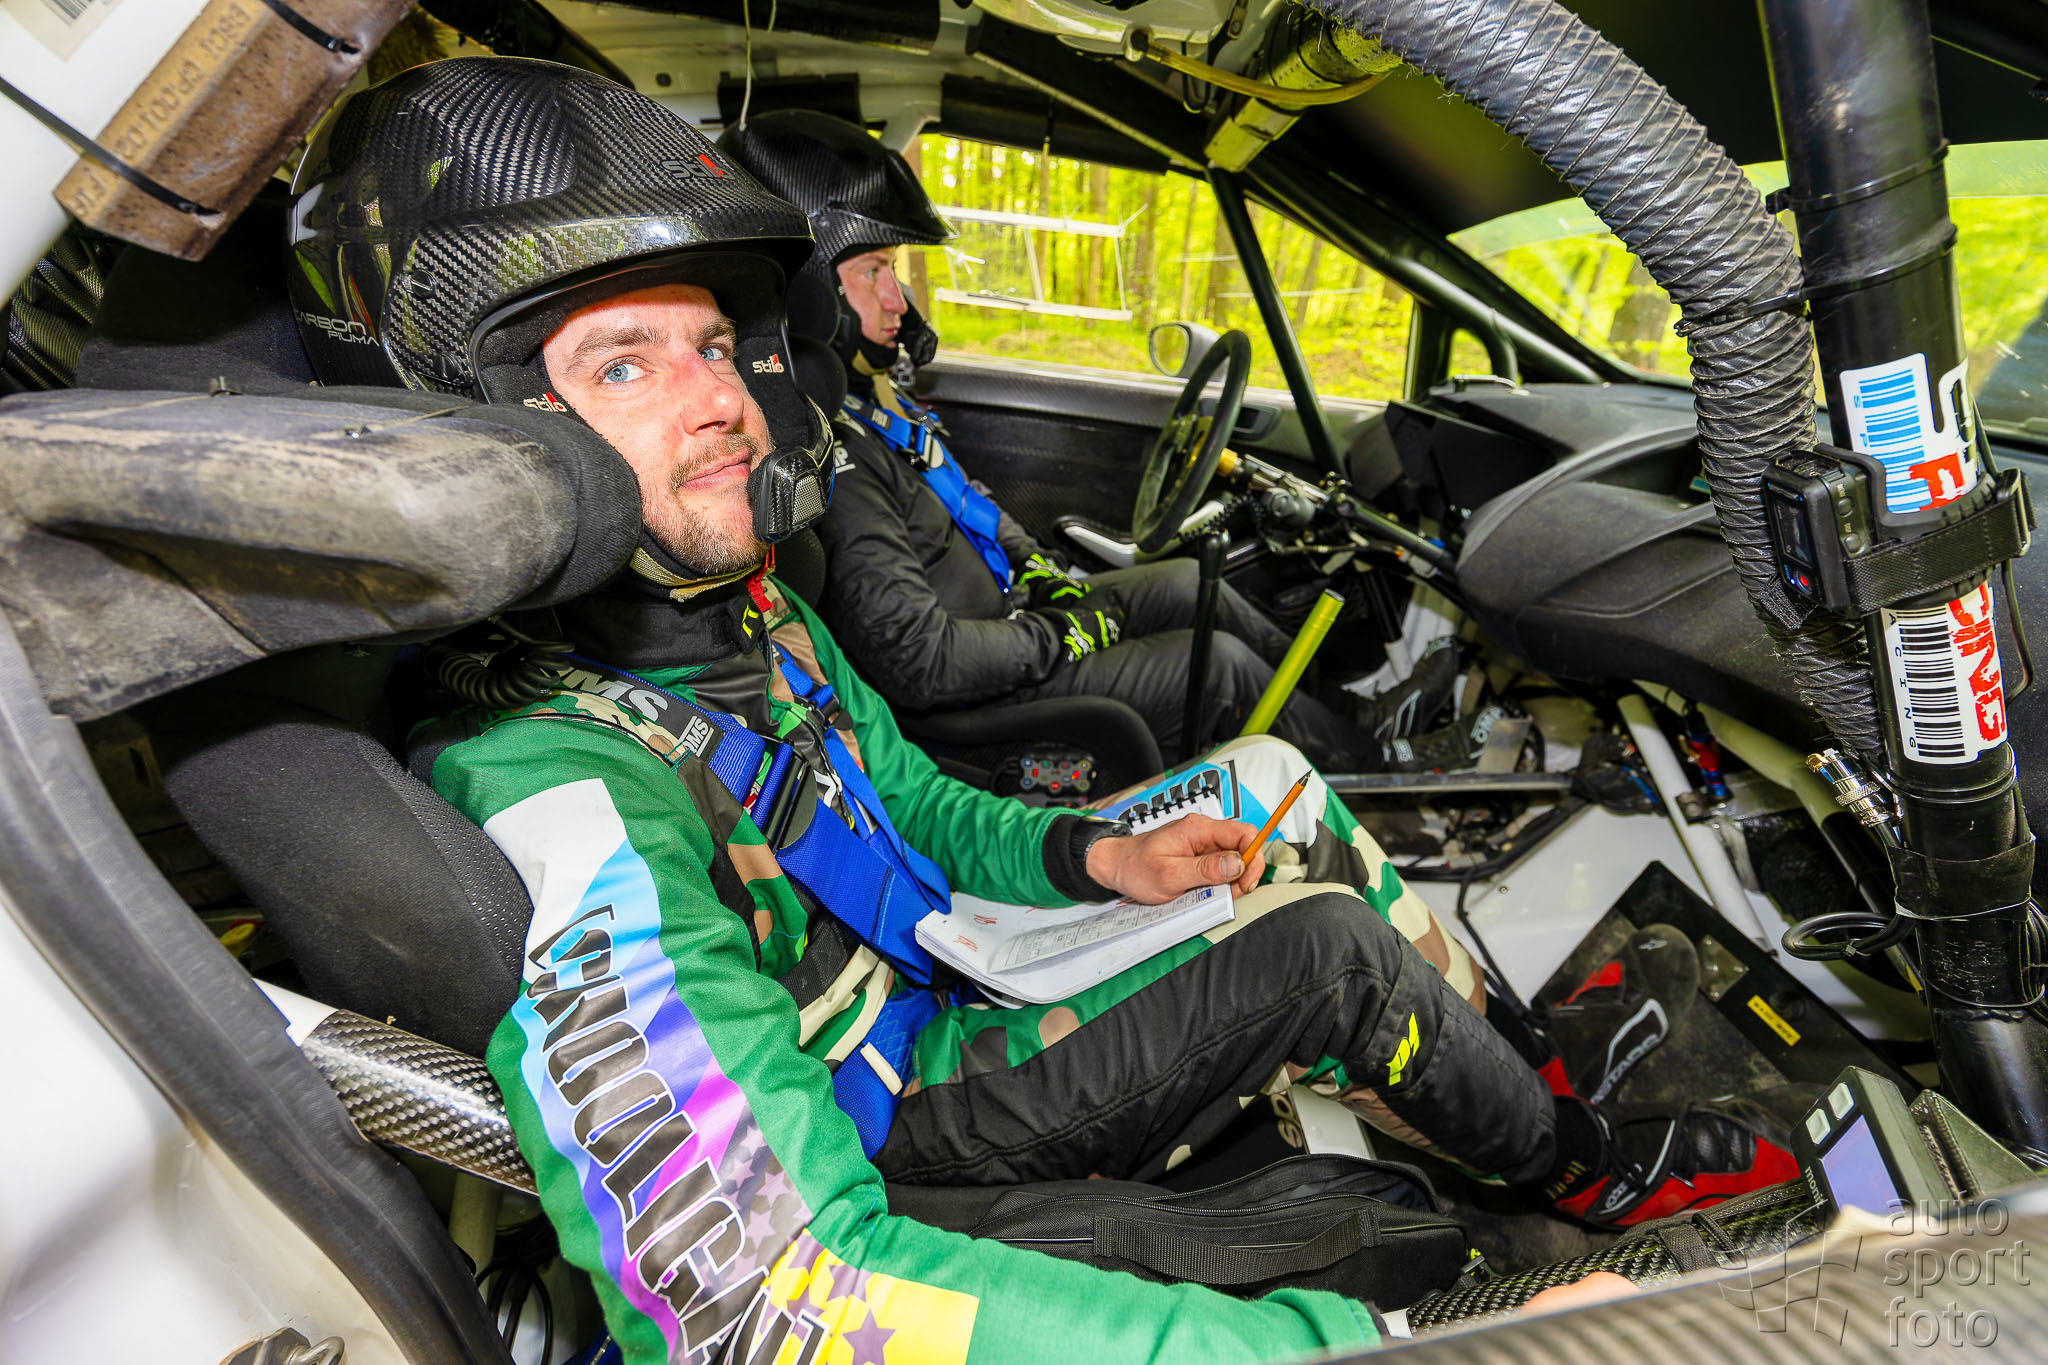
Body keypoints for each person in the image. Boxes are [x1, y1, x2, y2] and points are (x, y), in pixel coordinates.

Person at [288, 59, 1795, 1365]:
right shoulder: (561, 789)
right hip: (889, 1108)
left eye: (713, 344)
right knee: (1328, 951)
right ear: (474, 433)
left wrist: (1088, 857)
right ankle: (1580, 1171)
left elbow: (911, 803)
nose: (723, 401)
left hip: (942, 976)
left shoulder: (745, 611)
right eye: (623, 363)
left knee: (1288, 857)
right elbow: (771, 1304)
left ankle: (1542, 1123)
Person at [718, 110, 1480, 775]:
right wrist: (1064, 632)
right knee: (1215, 666)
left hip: (1011, 621)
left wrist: (1040, 572)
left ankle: (1352, 716)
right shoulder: (831, 459)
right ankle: (1381, 760)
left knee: (1187, 584)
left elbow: (968, 504)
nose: (898, 299)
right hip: (976, 691)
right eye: (874, 272)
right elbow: (923, 662)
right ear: (811, 292)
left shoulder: (869, 404)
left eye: (895, 271)